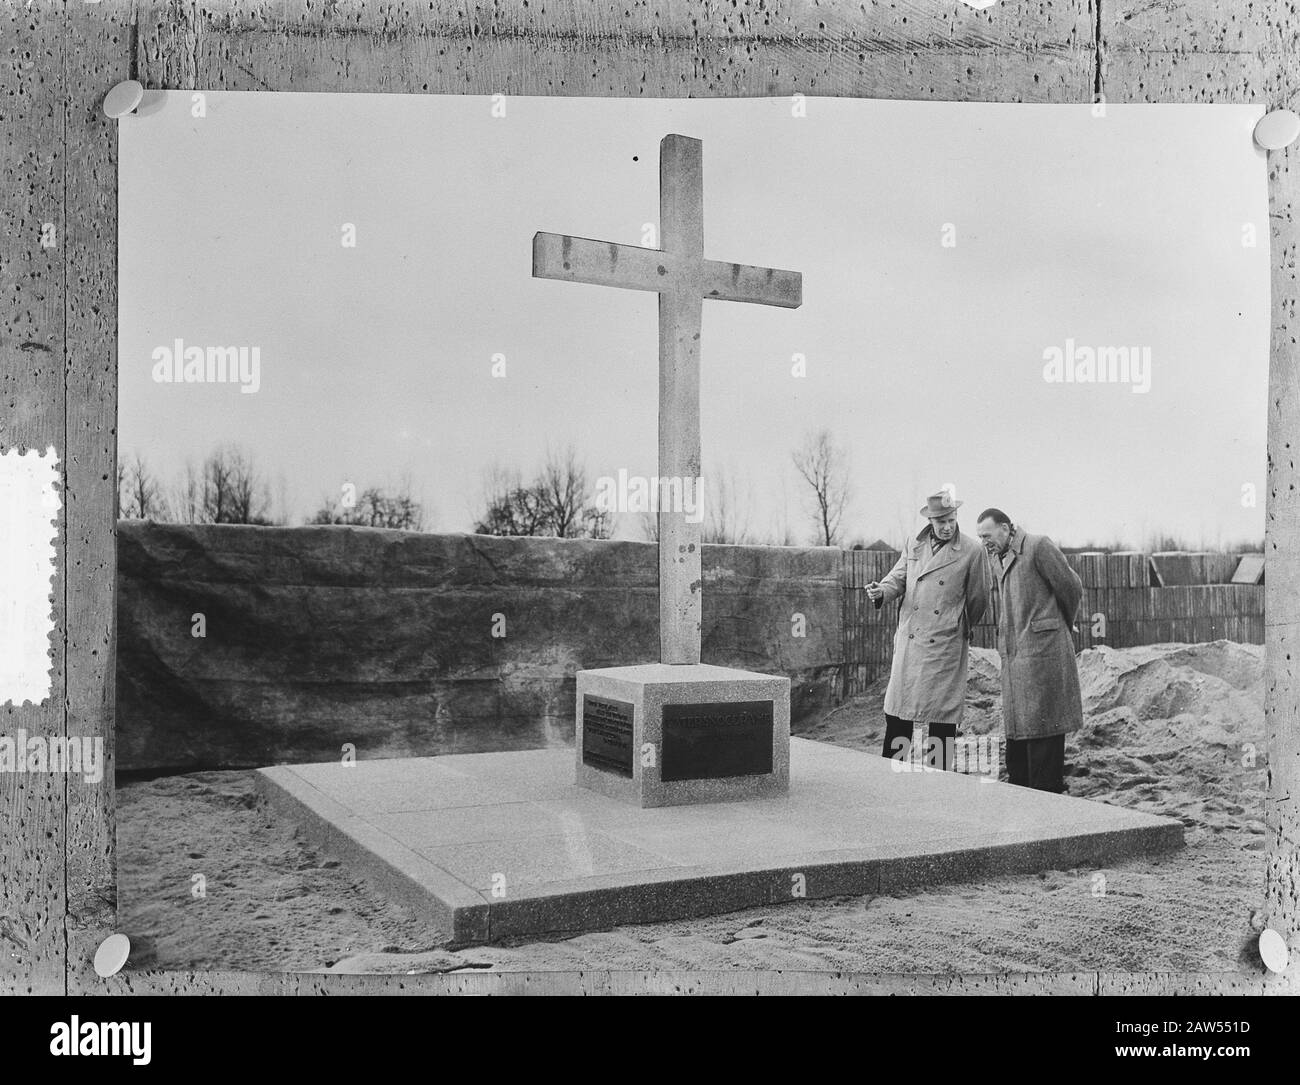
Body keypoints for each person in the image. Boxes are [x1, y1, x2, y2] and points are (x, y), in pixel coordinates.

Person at [866, 490, 989, 771]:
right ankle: (893, 778)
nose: (948, 526)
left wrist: (956, 625)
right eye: (942, 521)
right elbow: (898, 578)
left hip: (944, 646)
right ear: (930, 520)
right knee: (899, 716)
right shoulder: (914, 544)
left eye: (952, 519)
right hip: (911, 643)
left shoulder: (972, 550)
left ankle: (938, 788)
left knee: (941, 721)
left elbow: (979, 598)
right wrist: (880, 592)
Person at [974, 508, 1083, 793]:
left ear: (1006, 528)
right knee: (1019, 740)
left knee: (1044, 732)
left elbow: (1072, 587)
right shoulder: (997, 558)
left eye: (987, 535)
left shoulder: (1038, 546)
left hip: (1044, 656)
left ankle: (1047, 798)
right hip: (1015, 660)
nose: (984, 542)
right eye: (980, 537)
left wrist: (1059, 626)